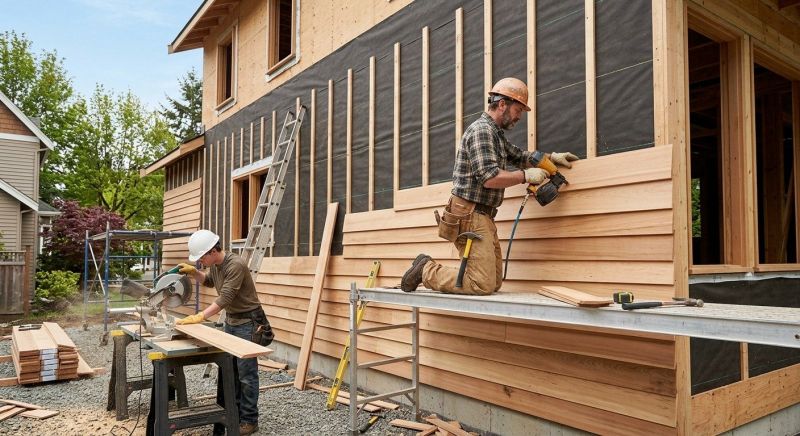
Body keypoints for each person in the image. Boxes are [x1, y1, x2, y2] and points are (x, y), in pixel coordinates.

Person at [401, 77, 578, 296]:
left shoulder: (495, 134)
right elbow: (488, 177)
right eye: (518, 110)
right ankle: (426, 270)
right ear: (502, 104)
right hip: (469, 214)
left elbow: (519, 155)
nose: (519, 116)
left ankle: (428, 269)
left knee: (493, 282)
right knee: (481, 284)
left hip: (481, 215)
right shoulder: (481, 131)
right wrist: (525, 176)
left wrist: (550, 158)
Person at [175, 229, 265, 435]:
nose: (199, 262)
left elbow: (225, 298)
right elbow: (208, 281)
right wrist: (193, 272)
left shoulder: (236, 265)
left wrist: (200, 316)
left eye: (200, 258)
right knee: (231, 372)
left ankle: (250, 420)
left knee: (247, 375)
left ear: (212, 251)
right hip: (232, 322)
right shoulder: (216, 265)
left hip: (248, 322)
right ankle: (234, 414)